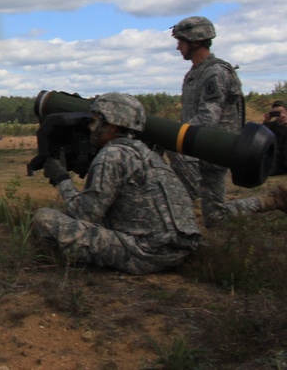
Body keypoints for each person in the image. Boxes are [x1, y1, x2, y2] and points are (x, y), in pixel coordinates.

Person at [32, 93, 201, 275]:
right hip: (179, 250)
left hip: (145, 254)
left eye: (96, 121)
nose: (90, 127)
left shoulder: (112, 155)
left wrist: (61, 179)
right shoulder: (148, 154)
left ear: (111, 125)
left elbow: (84, 214)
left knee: (45, 218)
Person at [170, 16, 287, 223]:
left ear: (195, 41)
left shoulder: (214, 73)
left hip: (213, 149)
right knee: (213, 215)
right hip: (196, 147)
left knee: (209, 212)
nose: (178, 47)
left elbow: (208, 118)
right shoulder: (196, 73)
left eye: (181, 41)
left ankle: (272, 200)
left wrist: (174, 134)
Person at [263, 100, 287, 176]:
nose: (279, 114)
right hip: (275, 158)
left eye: (281, 111)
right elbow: (261, 138)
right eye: (276, 112)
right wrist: (266, 121)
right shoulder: (271, 125)